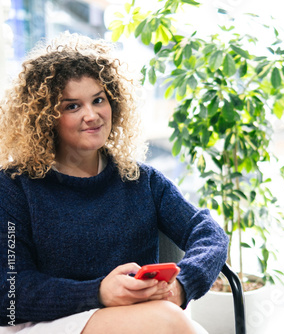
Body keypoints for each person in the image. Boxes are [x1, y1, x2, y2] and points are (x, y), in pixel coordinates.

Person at [0, 32, 229, 333]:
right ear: (45, 117)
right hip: (50, 323)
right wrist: (99, 292)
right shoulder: (15, 187)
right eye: (72, 106)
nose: (92, 115)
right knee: (170, 322)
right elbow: (10, 294)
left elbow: (210, 233)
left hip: (146, 317)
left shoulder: (142, 180)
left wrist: (183, 285)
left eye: (98, 100)